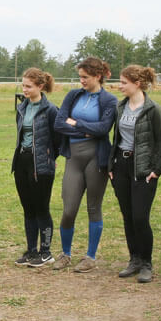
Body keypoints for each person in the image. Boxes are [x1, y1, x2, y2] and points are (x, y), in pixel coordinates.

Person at [52, 57, 117, 272]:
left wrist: (76, 123)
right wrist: (86, 128)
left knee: (93, 208)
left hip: (96, 158)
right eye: (80, 77)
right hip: (74, 157)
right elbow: (59, 123)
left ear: (97, 76)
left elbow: (103, 129)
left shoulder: (109, 100)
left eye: (85, 77)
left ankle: (90, 256)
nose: (81, 81)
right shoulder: (73, 95)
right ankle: (65, 254)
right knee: (69, 209)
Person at [108, 65, 161, 283]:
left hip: (143, 169)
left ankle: (146, 263)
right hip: (121, 167)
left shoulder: (153, 110)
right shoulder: (120, 107)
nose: (120, 86)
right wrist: (111, 167)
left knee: (141, 217)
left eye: (124, 82)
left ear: (137, 84)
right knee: (128, 216)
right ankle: (134, 259)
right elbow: (115, 138)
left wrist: (156, 170)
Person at [12, 68, 60, 268]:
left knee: (41, 209)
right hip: (21, 162)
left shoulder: (51, 110)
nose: (24, 89)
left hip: (41, 166)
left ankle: (46, 252)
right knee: (28, 208)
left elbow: (57, 139)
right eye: (23, 85)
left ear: (40, 87)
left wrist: (49, 157)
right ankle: (31, 251)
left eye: (28, 86)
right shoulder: (22, 107)